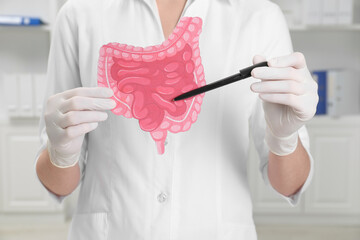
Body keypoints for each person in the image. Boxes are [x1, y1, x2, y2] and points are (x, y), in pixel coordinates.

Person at [35, 0, 318, 239]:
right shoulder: (79, 13)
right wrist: (60, 154)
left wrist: (284, 139)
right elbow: (58, 184)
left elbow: (289, 185)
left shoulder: (259, 17)